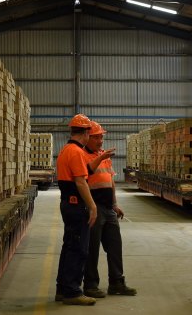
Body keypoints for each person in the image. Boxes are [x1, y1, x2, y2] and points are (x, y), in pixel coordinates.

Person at [82, 121, 137, 298]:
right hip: (94, 208)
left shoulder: (103, 155)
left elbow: (110, 181)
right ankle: (90, 285)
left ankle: (116, 283)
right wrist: (91, 208)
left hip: (108, 208)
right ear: (87, 137)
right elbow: (84, 179)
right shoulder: (83, 155)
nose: (100, 140)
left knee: (115, 246)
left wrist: (114, 204)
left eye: (101, 137)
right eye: (96, 137)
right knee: (92, 248)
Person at [55, 114, 99, 305]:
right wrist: (92, 206)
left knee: (69, 247)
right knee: (79, 249)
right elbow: (81, 182)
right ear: (87, 132)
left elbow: (86, 171)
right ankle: (72, 292)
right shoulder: (76, 152)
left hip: (68, 203)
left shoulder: (67, 149)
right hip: (76, 205)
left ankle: (63, 289)